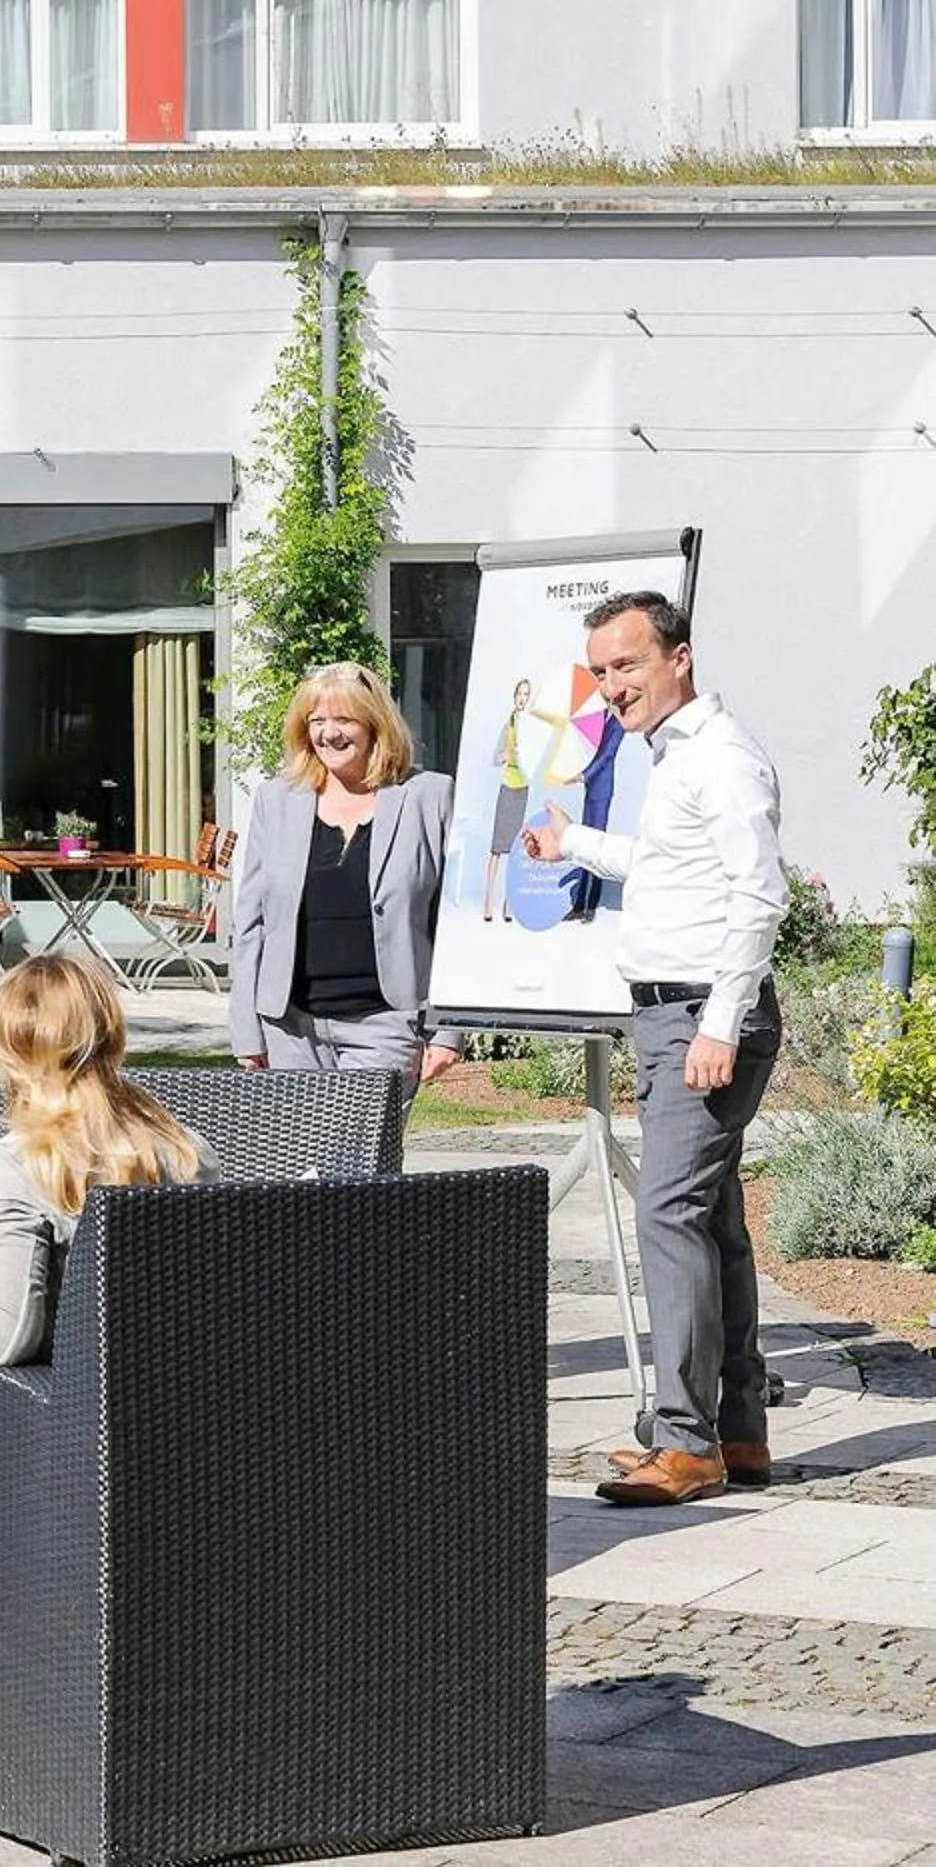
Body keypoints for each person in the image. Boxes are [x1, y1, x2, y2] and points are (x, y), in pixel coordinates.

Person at [523, 589, 785, 1506]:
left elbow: (759, 895)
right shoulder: (676, 756)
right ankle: (737, 1432)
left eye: (627, 664)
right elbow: (670, 867)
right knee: (711, 1222)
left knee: (669, 1215)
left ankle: (685, 1442)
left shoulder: (722, 758)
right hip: (679, 1015)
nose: (612, 686)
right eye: (600, 671)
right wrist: (576, 843)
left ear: (680, 656)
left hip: (701, 1017)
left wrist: (719, 1025)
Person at [0, 953, 205, 1367]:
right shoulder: (188, 1151)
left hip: (70, 1390)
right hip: (188, 1381)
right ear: (113, 1035)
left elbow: (7, 1341)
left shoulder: (24, 1161)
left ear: (9, 1051)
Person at [227, 662, 464, 1121]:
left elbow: (452, 922)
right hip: (289, 1028)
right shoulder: (276, 800)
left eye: (344, 720)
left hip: (386, 1025)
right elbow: (252, 922)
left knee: (361, 1161)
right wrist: (246, 1029)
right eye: (317, 721)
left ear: (376, 725)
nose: (329, 733)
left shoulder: (429, 796)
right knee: (299, 1163)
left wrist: (447, 1030)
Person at [484, 678, 533, 922]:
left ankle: (508, 904)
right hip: (507, 785)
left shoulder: (531, 727)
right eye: (520, 694)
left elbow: (535, 758)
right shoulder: (509, 725)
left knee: (514, 848)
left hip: (523, 786)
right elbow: (495, 758)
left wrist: (526, 755)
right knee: (496, 847)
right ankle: (488, 902)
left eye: (526, 694)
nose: (522, 698)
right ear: (514, 696)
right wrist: (504, 755)